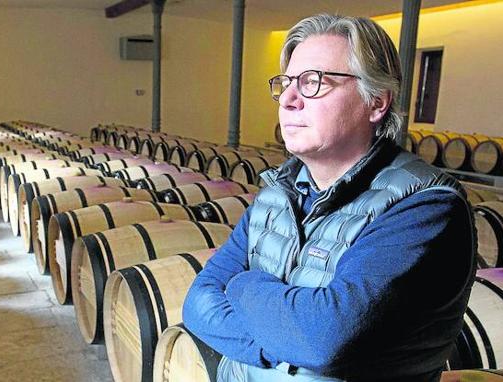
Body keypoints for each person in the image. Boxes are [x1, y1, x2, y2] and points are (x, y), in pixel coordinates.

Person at [183, 14, 476, 382]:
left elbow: (321, 339)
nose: (289, 99)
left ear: (376, 102)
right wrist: (282, 349)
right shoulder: (276, 193)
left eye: (312, 82)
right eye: (287, 83)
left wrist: (242, 284)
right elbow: (197, 303)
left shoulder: (423, 206)